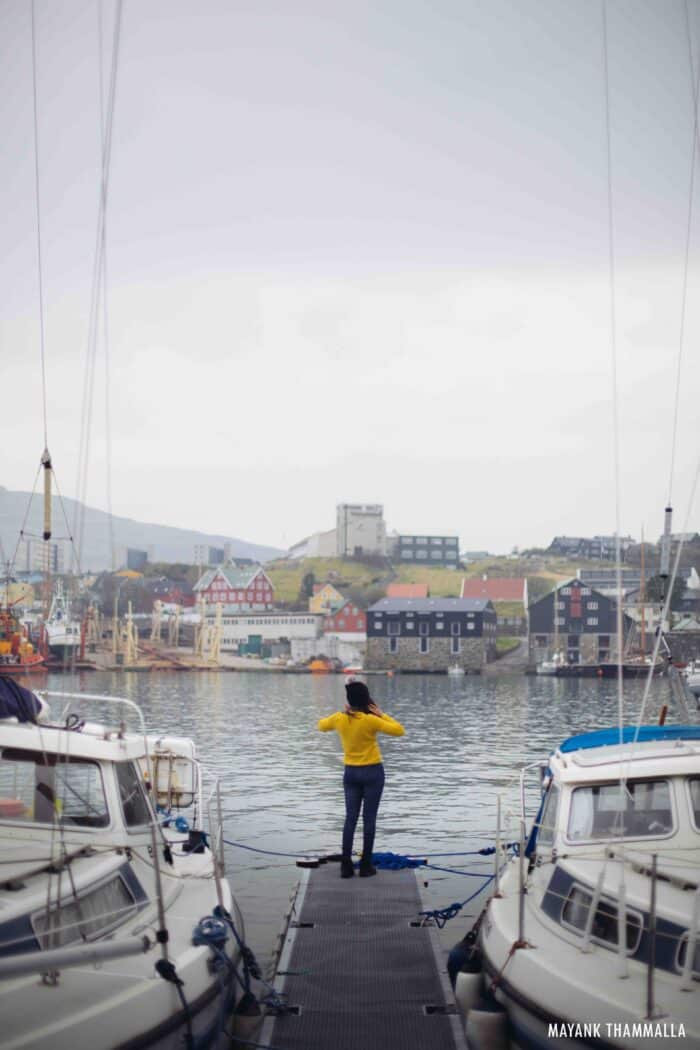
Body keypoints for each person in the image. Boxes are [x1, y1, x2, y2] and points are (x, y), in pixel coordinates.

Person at [318, 680, 404, 878]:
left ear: (349, 701)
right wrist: (382, 714)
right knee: (369, 819)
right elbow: (399, 730)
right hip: (373, 772)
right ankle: (366, 866)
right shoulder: (371, 720)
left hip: (351, 774)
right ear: (367, 701)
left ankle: (346, 866)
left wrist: (342, 713)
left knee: (350, 818)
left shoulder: (340, 719)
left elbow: (321, 726)